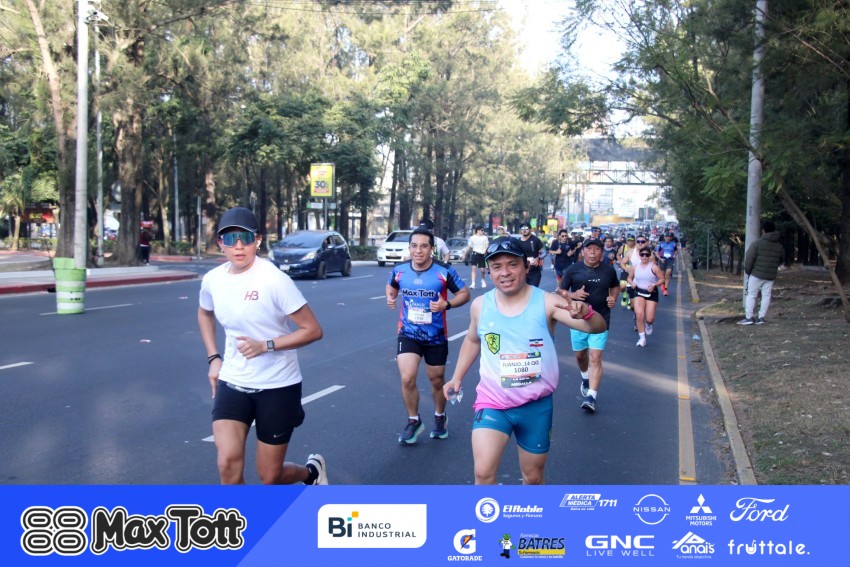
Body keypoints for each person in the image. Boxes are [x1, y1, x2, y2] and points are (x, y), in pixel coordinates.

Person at [442, 238, 605, 484]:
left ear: (526, 266)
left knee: (533, 477)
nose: (505, 272)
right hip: (493, 402)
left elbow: (597, 327)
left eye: (512, 264)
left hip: (535, 406)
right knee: (483, 473)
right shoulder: (480, 306)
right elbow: (473, 340)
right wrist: (456, 377)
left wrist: (587, 313)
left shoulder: (547, 302)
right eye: (497, 267)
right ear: (489, 271)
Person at [198, 207, 327, 485]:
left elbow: (313, 330)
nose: (238, 246)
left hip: (277, 385)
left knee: (270, 476)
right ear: (220, 243)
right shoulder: (213, 280)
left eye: (245, 238)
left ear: (257, 240)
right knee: (227, 463)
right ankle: (244, 514)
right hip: (233, 381)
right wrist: (214, 358)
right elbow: (204, 312)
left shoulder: (274, 280)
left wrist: (267, 345)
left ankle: (312, 473)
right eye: (230, 239)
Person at [386, 227, 471, 444]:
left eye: (424, 246)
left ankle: (440, 416)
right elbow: (391, 286)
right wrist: (391, 297)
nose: (418, 251)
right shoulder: (399, 270)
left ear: (431, 248)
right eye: (414, 246)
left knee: (436, 380)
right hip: (408, 333)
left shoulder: (444, 271)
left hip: (435, 336)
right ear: (409, 248)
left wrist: (447, 304)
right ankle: (413, 420)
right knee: (407, 377)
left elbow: (464, 294)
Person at [557, 238, 621, 413]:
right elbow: (560, 291)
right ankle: (585, 377)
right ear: (583, 251)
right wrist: (573, 294)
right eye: (589, 249)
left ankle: (591, 396)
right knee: (580, 356)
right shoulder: (573, 270)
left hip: (601, 320)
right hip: (578, 321)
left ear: (602, 252)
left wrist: (613, 298)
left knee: (595, 357)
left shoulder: (608, 270)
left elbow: (615, 286)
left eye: (596, 249)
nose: (592, 252)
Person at [738, 219, 785, 325]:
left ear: (763, 230)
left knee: (751, 295)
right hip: (770, 275)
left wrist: (748, 271)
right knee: (766, 296)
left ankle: (749, 318)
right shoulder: (779, 246)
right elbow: (781, 259)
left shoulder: (757, 243)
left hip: (756, 274)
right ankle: (761, 318)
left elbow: (749, 259)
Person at [627, 246, 665, 347]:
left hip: (651, 293)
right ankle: (642, 338)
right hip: (639, 292)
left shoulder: (654, 267)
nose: (644, 257)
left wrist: (654, 285)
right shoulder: (635, 267)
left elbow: (662, 279)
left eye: (646, 255)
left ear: (649, 256)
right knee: (639, 314)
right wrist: (632, 283)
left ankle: (648, 324)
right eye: (642, 254)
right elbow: (629, 278)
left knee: (649, 318)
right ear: (639, 256)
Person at [516, 223, 546, 287]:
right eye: (522, 229)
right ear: (520, 230)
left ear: (530, 229)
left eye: (526, 228)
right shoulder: (517, 242)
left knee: (533, 290)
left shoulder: (535, 240)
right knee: (522, 290)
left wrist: (538, 258)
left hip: (534, 271)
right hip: (522, 271)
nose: (524, 230)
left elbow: (544, 252)